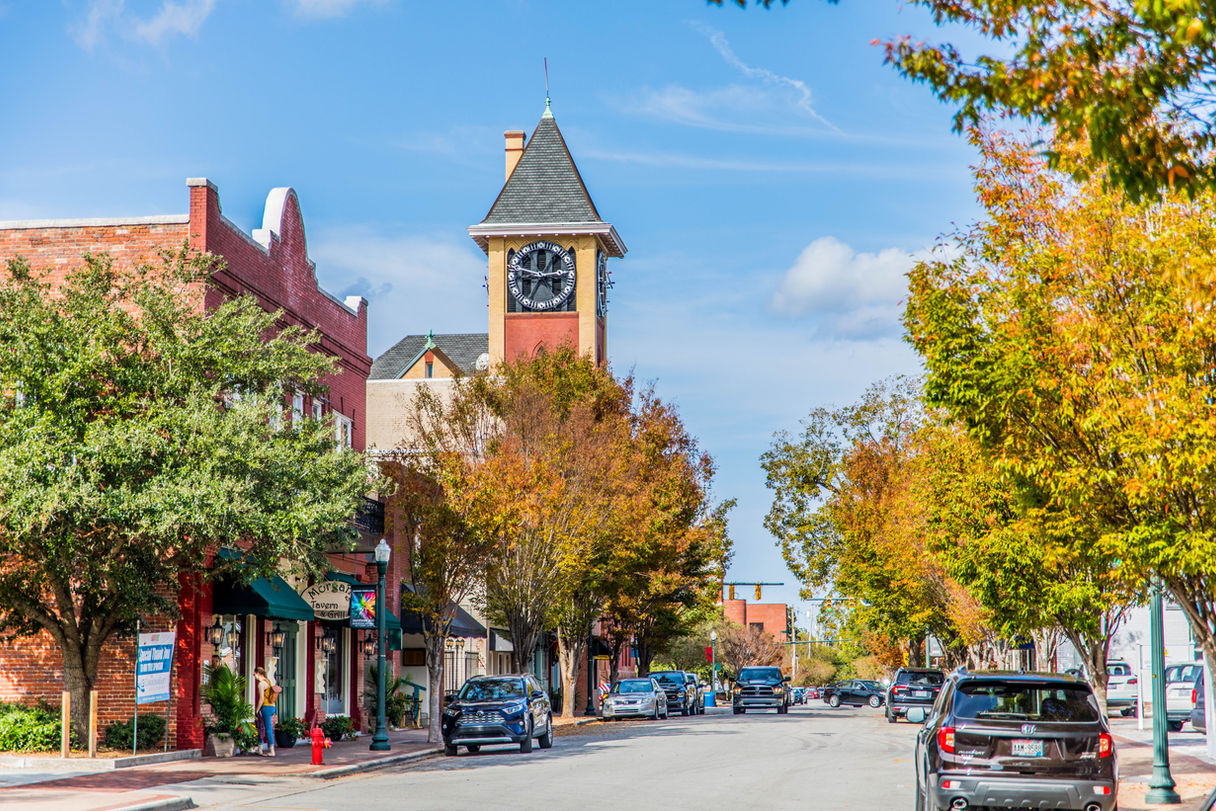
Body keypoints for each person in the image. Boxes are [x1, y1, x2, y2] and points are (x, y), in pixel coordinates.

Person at [253, 666, 280, 757]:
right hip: (272, 707)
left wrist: (257, 709)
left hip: (266, 707)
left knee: (266, 728)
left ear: (258, 674)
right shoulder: (268, 681)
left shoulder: (261, 684)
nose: (255, 676)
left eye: (254, 674)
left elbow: (261, 699)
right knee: (263, 727)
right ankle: (260, 749)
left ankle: (272, 750)